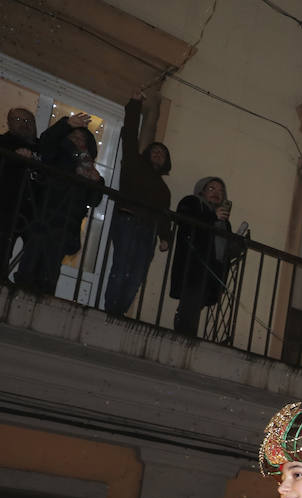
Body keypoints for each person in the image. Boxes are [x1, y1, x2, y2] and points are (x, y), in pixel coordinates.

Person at [14, 111, 105, 296]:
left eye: (82, 139)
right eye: (74, 136)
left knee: (50, 265)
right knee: (33, 258)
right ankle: (23, 291)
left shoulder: (88, 170)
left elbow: (94, 200)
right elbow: (47, 141)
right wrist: (66, 124)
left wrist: (97, 183)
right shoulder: (56, 156)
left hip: (66, 224)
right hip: (44, 215)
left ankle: (42, 294)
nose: (78, 141)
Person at [104, 94, 171, 318]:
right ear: (147, 153)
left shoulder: (164, 190)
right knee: (122, 266)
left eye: (162, 153)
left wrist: (164, 237)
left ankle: (119, 311)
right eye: (155, 150)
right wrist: (134, 105)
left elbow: (164, 215)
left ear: (166, 162)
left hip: (148, 229)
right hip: (128, 220)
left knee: (138, 273)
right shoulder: (133, 164)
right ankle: (111, 310)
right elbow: (130, 135)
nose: (158, 154)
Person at [170, 176, 241, 337]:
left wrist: (236, 245)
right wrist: (212, 217)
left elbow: (223, 250)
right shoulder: (192, 202)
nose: (217, 193)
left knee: (196, 305)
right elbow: (186, 220)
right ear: (201, 190)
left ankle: (184, 332)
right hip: (193, 268)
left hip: (211, 273)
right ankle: (184, 337)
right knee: (190, 306)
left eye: (221, 191)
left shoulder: (224, 222)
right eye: (211, 189)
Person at [0, 107, 39, 277]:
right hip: (5, 206)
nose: (24, 124)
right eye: (18, 120)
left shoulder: (41, 148)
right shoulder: (3, 143)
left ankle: (26, 285)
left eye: (28, 121)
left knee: (35, 251)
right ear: (9, 123)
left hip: (34, 211)